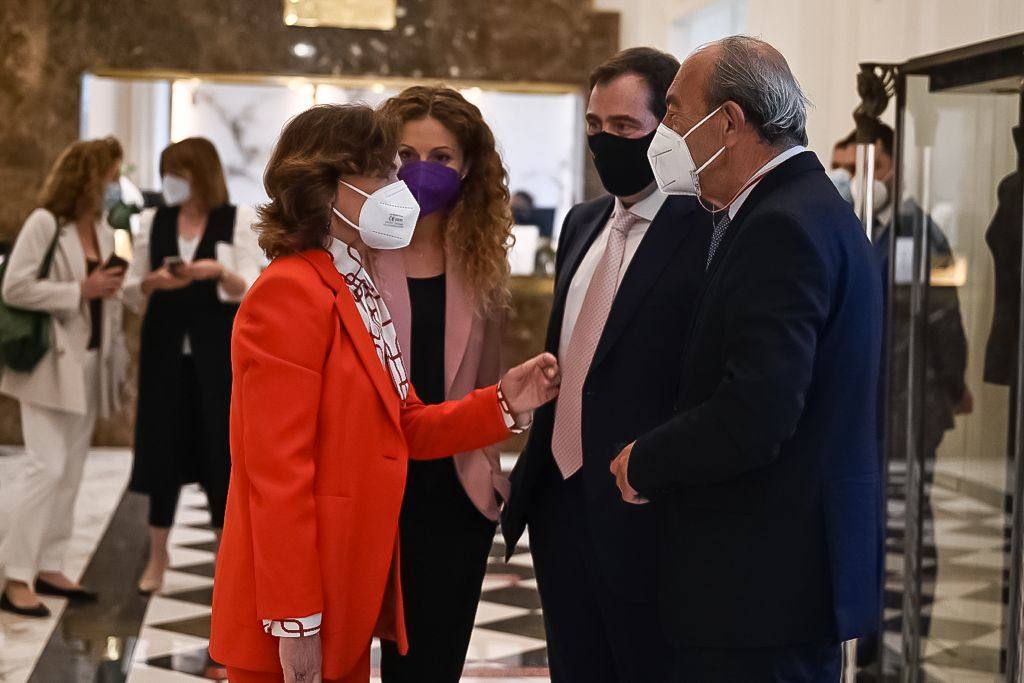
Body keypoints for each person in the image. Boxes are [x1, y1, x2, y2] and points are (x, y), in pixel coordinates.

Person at [208, 103, 560, 683]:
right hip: (302, 600)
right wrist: (297, 620)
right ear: (328, 186)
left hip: (346, 585)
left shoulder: (354, 283)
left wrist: (503, 401)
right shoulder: (289, 292)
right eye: (381, 171)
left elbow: (407, 424)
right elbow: (276, 474)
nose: (398, 185)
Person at [609, 36, 883, 680]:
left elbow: (757, 410)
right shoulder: (800, 208)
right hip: (777, 580)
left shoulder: (781, 225)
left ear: (728, 122)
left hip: (761, 584)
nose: (664, 132)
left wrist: (646, 461)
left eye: (674, 113)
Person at [501, 47, 712, 682]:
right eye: (595, 126)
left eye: (624, 128)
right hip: (558, 498)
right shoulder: (582, 222)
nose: (605, 142)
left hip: (642, 504)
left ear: (668, 128)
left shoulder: (705, 229)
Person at [371, 86, 514, 682]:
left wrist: (488, 472)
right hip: (370, 483)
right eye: (404, 154)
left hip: (453, 491)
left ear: (468, 167)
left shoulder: (481, 259)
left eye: (442, 158)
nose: (420, 171)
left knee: (432, 664)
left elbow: (486, 378)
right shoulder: (351, 252)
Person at [124, 137, 263, 594]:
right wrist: (153, 282)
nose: (171, 183)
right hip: (165, 349)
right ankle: (157, 556)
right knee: (162, 447)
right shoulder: (154, 221)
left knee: (219, 449)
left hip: (217, 352)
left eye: (178, 174)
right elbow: (131, 288)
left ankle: (229, 559)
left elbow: (252, 286)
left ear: (199, 175)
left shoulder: (235, 219)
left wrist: (217, 273)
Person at [0, 137, 129, 616]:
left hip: (88, 364)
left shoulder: (98, 225)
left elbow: (105, 290)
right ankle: (14, 576)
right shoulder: (44, 224)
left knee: (71, 471)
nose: (118, 183)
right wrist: (80, 289)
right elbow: (15, 286)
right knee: (46, 467)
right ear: (91, 177)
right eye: (113, 174)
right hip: (48, 364)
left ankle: (49, 564)